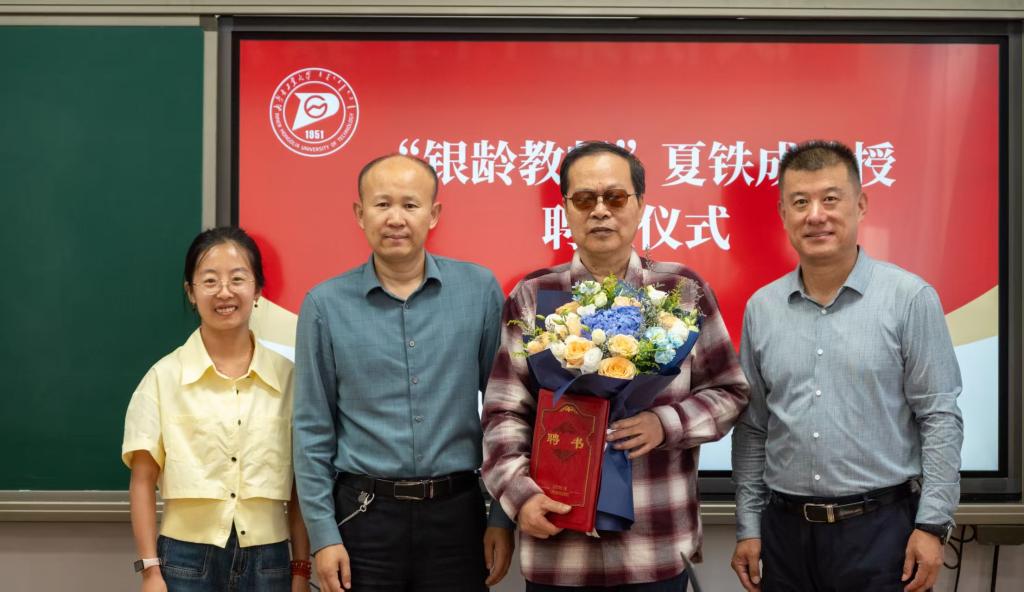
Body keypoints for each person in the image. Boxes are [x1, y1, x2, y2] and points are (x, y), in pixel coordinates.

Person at [481, 141, 750, 590]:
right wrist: (519, 495)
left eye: (616, 197)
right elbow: (503, 412)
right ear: (565, 209)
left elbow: (730, 391)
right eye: (585, 199)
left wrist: (666, 423)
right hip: (559, 548)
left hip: (656, 545)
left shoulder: (682, 289)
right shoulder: (533, 295)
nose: (600, 211)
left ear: (640, 204)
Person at [730, 140, 964, 592]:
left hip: (882, 532)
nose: (815, 215)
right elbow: (754, 427)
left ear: (860, 204)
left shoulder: (909, 298)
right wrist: (749, 525)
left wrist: (932, 525)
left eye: (831, 199)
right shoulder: (762, 308)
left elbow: (939, 417)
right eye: (801, 202)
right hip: (784, 534)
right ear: (783, 213)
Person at [292, 153, 515, 592]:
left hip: (458, 516)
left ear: (434, 214)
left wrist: (502, 518)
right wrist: (323, 536)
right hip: (363, 518)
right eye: (382, 204)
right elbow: (312, 428)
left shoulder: (479, 290)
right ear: (360, 214)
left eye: (410, 205)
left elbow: (504, 412)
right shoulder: (324, 305)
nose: (396, 218)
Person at [122, 226, 310, 592]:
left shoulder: (289, 379)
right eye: (210, 281)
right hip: (185, 559)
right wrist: (150, 571)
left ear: (258, 290)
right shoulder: (164, 378)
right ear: (191, 293)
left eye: (237, 279)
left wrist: (301, 569)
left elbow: (299, 485)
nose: (224, 292)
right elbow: (142, 481)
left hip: (269, 560)